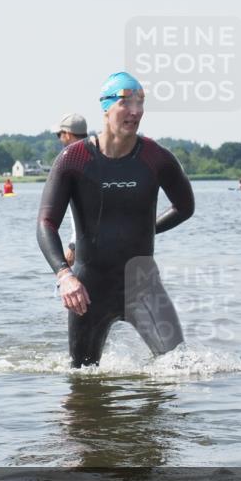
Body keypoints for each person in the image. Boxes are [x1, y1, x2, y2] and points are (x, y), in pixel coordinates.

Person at [37, 71, 195, 368]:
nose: (135, 111)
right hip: (88, 291)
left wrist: (146, 230)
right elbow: (46, 224)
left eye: (141, 102)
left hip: (144, 287)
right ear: (106, 106)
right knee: (82, 378)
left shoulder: (156, 158)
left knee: (181, 367)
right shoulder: (74, 159)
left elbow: (185, 207)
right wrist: (65, 276)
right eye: (126, 102)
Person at [55, 113, 89, 266]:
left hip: (84, 246)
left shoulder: (72, 162)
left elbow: (84, 211)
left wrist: (73, 245)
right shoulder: (100, 154)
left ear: (67, 134)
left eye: (59, 135)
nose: (59, 139)